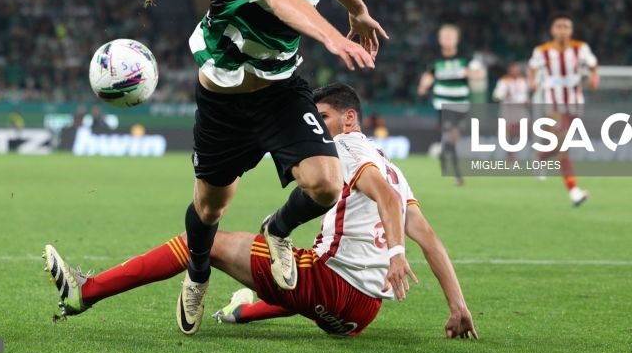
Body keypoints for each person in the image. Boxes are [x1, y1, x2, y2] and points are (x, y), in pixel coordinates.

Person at [42, 84, 477, 339]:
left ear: (349, 119)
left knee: (203, 242)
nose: (317, 127)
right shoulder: (394, 169)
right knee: (292, 273)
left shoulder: (347, 148)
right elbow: (429, 237)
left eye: (323, 117)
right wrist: (458, 306)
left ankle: (86, 292)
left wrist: (396, 254)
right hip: (360, 315)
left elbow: (384, 197)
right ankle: (241, 311)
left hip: (332, 288)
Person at [180, 0, 388, 333]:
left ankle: (276, 229)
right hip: (224, 101)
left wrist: (358, 11)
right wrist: (332, 37)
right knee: (211, 208)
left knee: (326, 184)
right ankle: (197, 273)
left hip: (280, 91)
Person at [527, 13, 599, 206]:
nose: (562, 31)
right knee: (563, 144)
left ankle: (538, 157)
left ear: (571, 31)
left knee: (560, 144)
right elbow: (532, 68)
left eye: (566, 27)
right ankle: (574, 191)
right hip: (553, 102)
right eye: (559, 27)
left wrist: (594, 78)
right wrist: (532, 82)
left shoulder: (580, 48)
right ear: (552, 30)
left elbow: (593, 65)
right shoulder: (542, 51)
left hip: (574, 103)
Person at [417, 25, 485, 185]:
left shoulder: (465, 58)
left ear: (457, 39)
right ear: (439, 39)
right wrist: (423, 86)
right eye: (444, 36)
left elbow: (480, 73)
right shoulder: (435, 59)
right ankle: (457, 174)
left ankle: (444, 152)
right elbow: (428, 75)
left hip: (462, 105)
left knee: (454, 138)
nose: (447, 39)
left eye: (450, 36)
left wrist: (470, 73)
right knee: (452, 135)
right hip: (443, 105)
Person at [492, 62, 529, 162]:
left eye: (517, 70)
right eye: (514, 70)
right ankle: (508, 156)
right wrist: (505, 94)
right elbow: (496, 96)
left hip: (520, 109)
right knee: (506, 133)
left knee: (521, 131)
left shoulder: (523, 81)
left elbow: (525, 96)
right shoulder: (504, 81)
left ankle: (518, 154)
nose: (515, 72)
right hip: (508, 109)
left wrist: (527, 101)